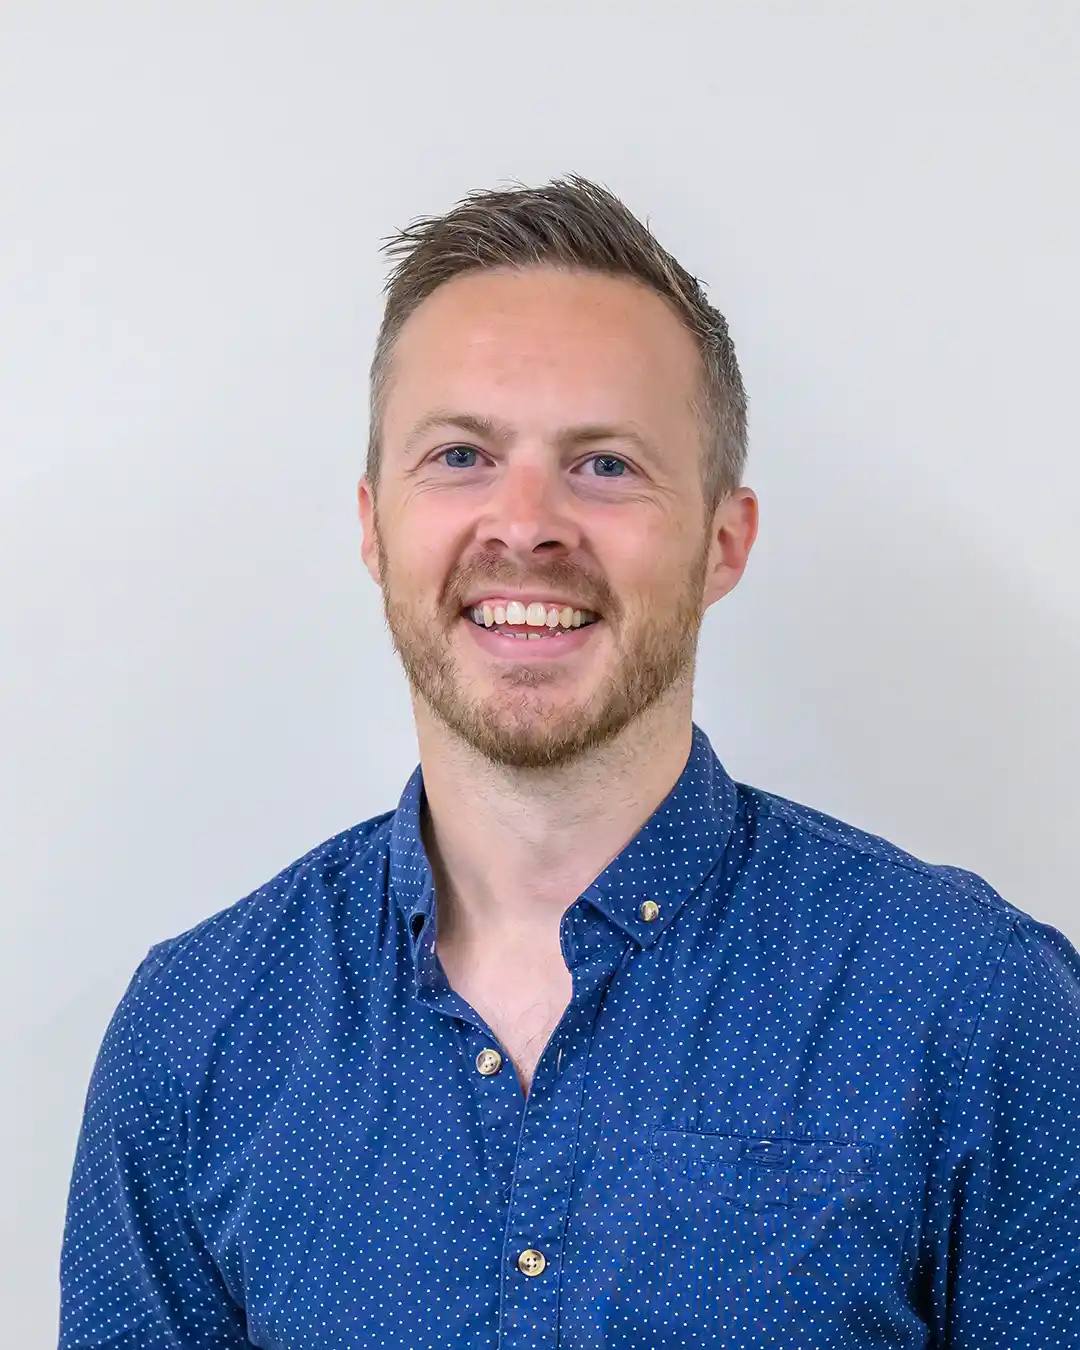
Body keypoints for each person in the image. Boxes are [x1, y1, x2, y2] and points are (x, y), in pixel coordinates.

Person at [58, 174, 1080, 1349]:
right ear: (373, 526)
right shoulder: (194, 1035)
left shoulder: (974, 1009)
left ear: (723, 541)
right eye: (460, 455)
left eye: (604, 464)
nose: (527, 523)